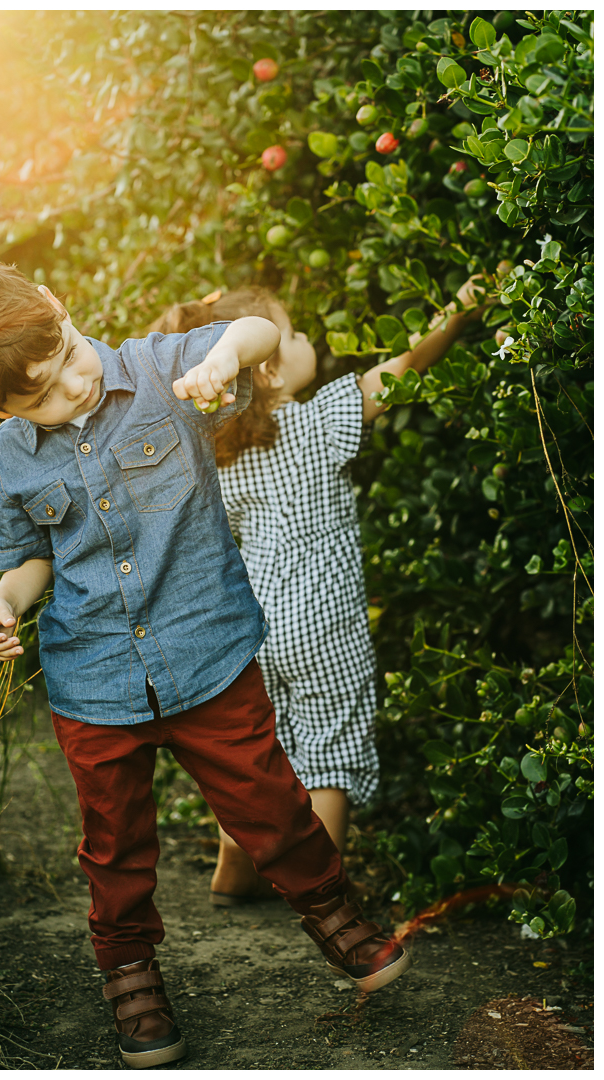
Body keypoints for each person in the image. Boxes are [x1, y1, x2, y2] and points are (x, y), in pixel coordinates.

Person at [0, 256, 412, 1070]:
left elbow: (260, 331)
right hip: (93, 680)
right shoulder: (11, 457)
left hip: (208, 655)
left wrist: (223, 358)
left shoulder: (155, 367)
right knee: (115, 846)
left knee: (270, 803)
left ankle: (333, 911)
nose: (71, 383)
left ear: (55, 303)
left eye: (66, 353)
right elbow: (31, 556)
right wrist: (6, 601)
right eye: (40, 390)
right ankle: (131, 974)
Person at [151, 277, 488, 905]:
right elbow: (405, 365)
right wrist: (459, 312)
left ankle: (236, 874)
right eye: (295, 330)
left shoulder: (216, 454)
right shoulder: (319, 421)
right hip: (324, 624)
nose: (307, 338)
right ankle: (323, 896)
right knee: (330, 754)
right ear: (271, 370)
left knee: (263, 759)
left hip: (253, 629)